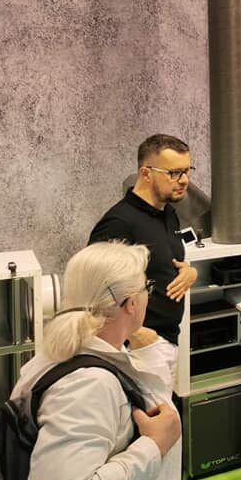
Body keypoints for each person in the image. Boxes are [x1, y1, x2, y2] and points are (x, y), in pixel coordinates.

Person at [11, 241, 182, 480]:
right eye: (147, 287)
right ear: (132, 303)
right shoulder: (88, 385)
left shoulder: (59, 353)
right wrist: (154, 445)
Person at [89, 134, 198, 367]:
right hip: (137, 348)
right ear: (146, 173)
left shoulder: (169, 213)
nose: (184, 180)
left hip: (166, 340)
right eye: (174, 173)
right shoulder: (119, 223)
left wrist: (190, 272)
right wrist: (136, 334)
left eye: (187, 171)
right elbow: (92, 289)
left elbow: (162, 263)